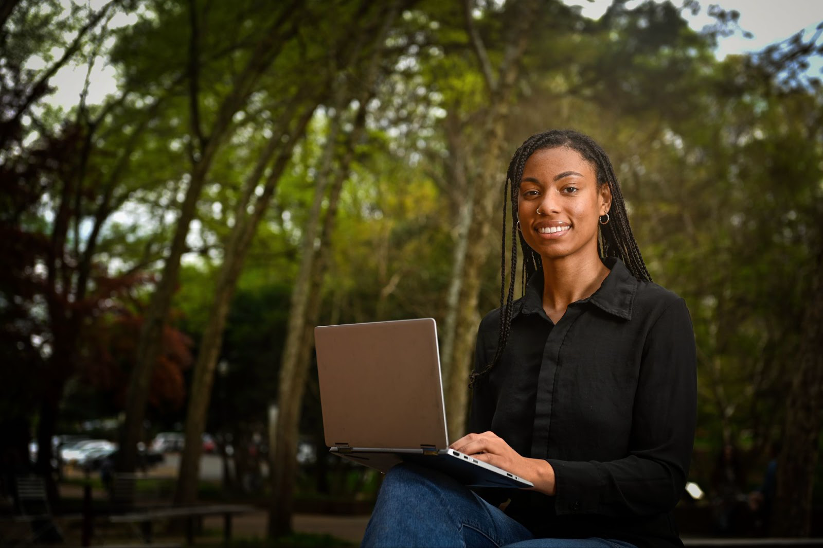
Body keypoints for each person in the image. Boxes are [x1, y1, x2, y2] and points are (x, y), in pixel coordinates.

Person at [361, 129, 697, 548]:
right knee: (409, 484)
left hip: (624, 540)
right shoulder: (498, 329)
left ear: (604, 200)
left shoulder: (658, 315)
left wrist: (533, 471)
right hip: (517, 534)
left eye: (569, 188)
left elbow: (662, 477)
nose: (547, 206)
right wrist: (436, 463)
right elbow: (491, 478)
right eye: (531, 192)